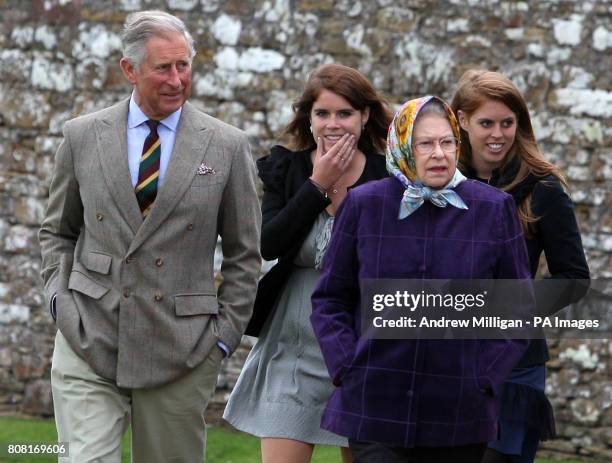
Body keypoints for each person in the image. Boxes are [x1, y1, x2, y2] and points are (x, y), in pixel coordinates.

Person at [38, 10, 261, 463]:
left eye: (184, 65)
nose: (177, 79)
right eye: (163, 67)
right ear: (129, 69)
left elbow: (245, 254)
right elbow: (57, 232)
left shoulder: (227, 146)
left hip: (182, 349)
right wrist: (60, 302)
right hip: (88, 334)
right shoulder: (81, 137)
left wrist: (223, 338)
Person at [310, 96, 531, 463]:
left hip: (460, 408)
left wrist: (484, 377)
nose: (439, 154)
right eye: (424, 143)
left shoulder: (493, 208)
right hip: (375, 400)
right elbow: (330, 299)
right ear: (401, 146)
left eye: (447, 142)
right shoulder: (365, 204)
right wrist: (347, 367)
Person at [223, 63, 392, 463]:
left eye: (345, 113)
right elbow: (268, 243)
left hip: (361, 341)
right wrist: (318, 184)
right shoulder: (286, 166)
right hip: (293, 341)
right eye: (322, 113)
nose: (333, 124)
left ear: (365, 115)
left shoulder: (387, 177)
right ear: (308, 118)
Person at [451, 69, 590, 463]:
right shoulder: (437, 182)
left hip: (514, 363)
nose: (498, 133)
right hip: (446, 357)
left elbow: (574, 279)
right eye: (486, 123)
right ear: (461, 120)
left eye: (507, 123)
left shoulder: (542, 188)